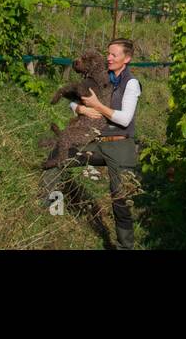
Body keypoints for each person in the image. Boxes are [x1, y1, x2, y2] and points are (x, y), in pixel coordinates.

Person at [42, 38, 141, 249]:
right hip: (94, 139)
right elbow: (76, 99)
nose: (109, 57)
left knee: (120, 198)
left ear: (127, 58)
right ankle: (51, 213)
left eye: (114, 54)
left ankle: (125, 246)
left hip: (120, 144)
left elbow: (124, 119)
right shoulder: (97, 74)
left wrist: (97, 105)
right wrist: (79, 109)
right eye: (108, 53)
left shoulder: (131, 83)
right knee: (56, 158)